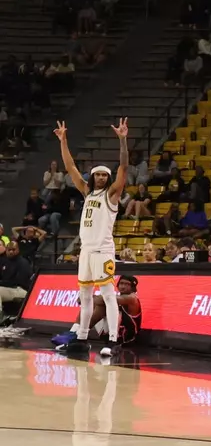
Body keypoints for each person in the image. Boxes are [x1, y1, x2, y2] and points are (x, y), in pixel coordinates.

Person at [54, 117, 130, 359]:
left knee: (108, 295)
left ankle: (113, 340)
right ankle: (83, 338)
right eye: (97, 175)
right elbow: (70, 167)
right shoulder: (87, 192)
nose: (100, 178)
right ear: (92, 177)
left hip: (102, 251)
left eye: (103, 175)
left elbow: (124, 168)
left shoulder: (112, 195)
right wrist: (63, 141)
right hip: (85, 252)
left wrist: (123, 140)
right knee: (85, 296)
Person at [52, 274, 142, 348]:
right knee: (92, 304)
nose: (123, 286)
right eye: (121, 283)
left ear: (133, 287)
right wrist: (87, 300)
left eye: (127, 284)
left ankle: (77, 334)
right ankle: (74, 331)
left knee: (100, 304)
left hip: (126, 339)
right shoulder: (119, 297)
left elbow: (104, 299)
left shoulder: (132, 298)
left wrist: (86, 299)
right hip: (113, 334)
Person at [0, 241, 32, 314]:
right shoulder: (4, 261)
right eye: (9, 250)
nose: (11, 252)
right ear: (6, 250)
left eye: (13, 249)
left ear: (18, 250)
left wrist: (2, 283)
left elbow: (19, 281)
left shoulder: (23, 262)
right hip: (7, 288)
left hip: (20, 289)